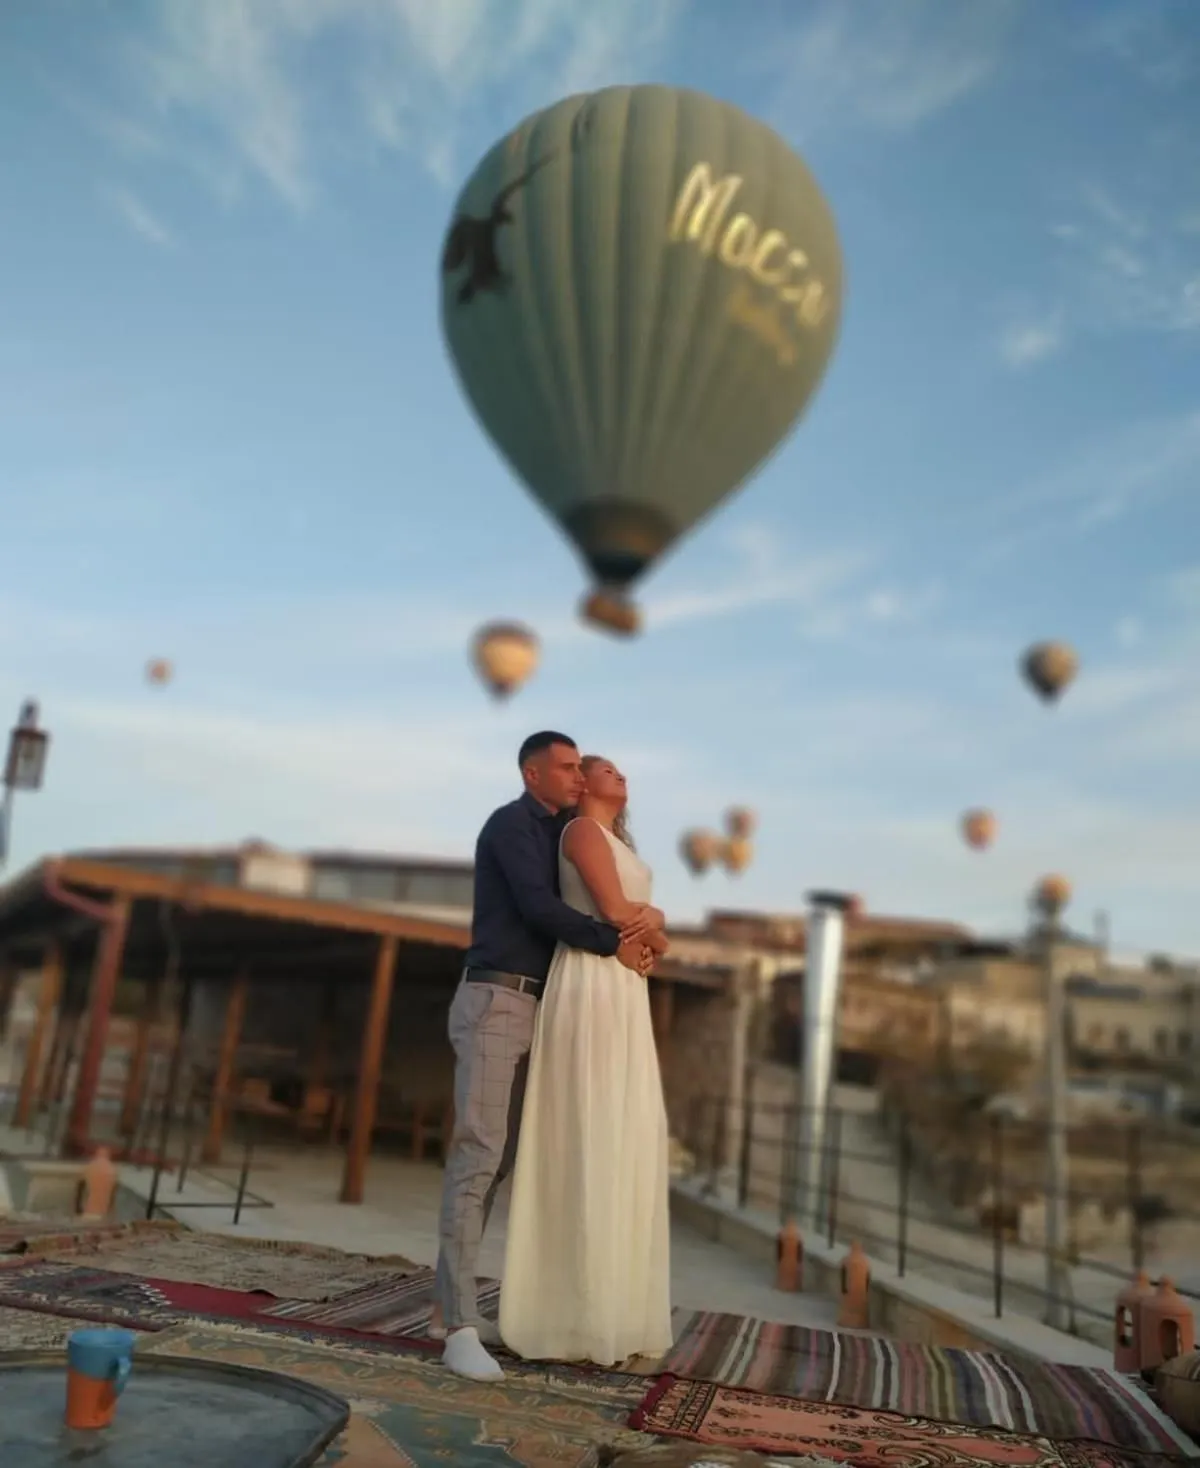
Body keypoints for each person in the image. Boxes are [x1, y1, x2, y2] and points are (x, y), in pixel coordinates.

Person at [433, 731, 664, 1382]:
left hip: (551, 1004)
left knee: (507, 1160)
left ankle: (450, 1300)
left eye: (578, 767)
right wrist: (610, 941)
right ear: (533, 773)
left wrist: (640, 933)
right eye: (565, 768)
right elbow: (539, 909)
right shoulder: (510, 826)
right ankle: (457, 1328)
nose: (576, 777)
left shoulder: (571, 831)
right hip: (497, 998)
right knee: (479, 1154)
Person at [499, 753, 674, 1367]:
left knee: (624, 1137)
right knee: (590, 1132)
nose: (618, 774)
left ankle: (614, 1314)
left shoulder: (621, 842)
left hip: (625, 987)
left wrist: (651, 925)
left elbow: (648, 929)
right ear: (581, 786)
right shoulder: (581, 832)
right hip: (593, 982)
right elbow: (617, 911)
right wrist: (653, 924)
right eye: (603, 768)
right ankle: (567, 1317)